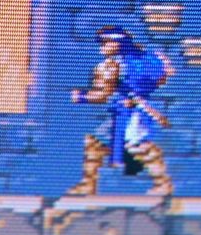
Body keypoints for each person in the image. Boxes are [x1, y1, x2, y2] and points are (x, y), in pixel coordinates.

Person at [68, 25, 174, 198]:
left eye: (106, 42)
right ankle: (88, 184)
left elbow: (103, 95)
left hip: (132, 114)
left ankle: (163, 183)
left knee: (138, 146)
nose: (102, 46)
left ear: (117, 44)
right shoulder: (137, 61)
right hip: (122, 112)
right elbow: (163, 75)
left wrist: (80, 97)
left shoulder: (114, 66)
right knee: (95, 143)